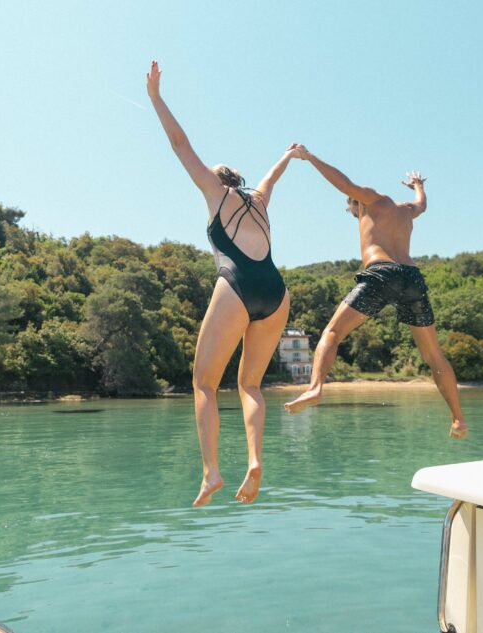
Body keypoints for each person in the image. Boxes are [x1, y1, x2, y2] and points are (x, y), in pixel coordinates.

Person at [147, 61, 298, 505]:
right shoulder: (260, 200)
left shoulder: (215, 193)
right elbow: (272, 176)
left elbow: (180, 143)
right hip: (276, 291)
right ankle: (254, 459)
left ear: (217, 179)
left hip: (236, 283)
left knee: (204, 385)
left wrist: (156, 97)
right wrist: (289, 155)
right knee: (249, 385)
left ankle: (211, 471)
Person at [283, 145, 468, 439]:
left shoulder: (371, 200)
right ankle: (458, 419)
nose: (354, 214)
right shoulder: (406, 211)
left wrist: (310, 158)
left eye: (352, 210)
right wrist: (418, 184)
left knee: (331, 333)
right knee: (433, 353)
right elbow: (422, 204)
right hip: (412, 278)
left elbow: (343, 184)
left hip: (381, 273)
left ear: (356, 203)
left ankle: (315, 387)